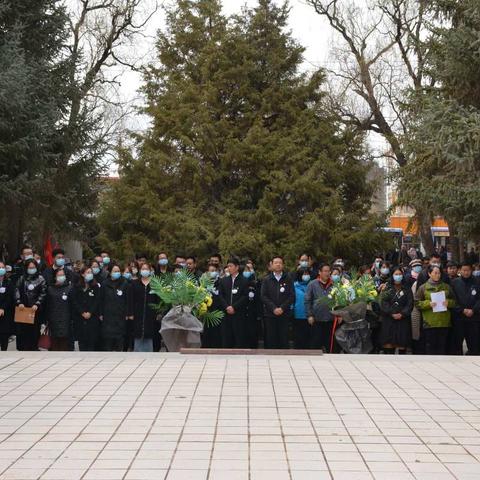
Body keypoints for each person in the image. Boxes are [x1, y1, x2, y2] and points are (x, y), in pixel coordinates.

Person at [415, 265, 456, 355]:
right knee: (430, 346)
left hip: (444, 322)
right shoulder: (423, 287)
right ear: (429, 274)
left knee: (442, 346)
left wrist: (448, 302)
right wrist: (428, 304)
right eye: (435, 273)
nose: (437, 275)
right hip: (430, 323)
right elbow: (416, 303)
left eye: (439, 273)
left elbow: (455, 302)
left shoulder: (446, 287)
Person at [261, 256, 295, 349]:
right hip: (270, 314)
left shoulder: (288, 278)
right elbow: (263, 296)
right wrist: (273, 308)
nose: (278, 264)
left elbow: (292, 296)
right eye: (276, 262)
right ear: (271, 265)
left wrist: (282, 308)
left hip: (284, 314)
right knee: (270, 338)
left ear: (283, 265)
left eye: (280, 262)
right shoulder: (266, 279)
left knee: (283, 338)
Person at [379, 266, 413, 354]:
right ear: (392, 275)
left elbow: (410, 304)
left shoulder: (407, 288)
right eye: (396, 274)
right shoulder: (387, 288)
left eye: (400, 274)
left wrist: (402, 313)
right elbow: (383, 303)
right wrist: (392, 313)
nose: (398, 276)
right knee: (389, 346)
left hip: (403, 320)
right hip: (389, 320)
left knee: (402, 344)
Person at [15, 259, 46, 351]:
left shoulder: (41, 279)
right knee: (23, 331)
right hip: (23, 309)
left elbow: (43, 292)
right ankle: (23, 348)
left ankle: (34, 348)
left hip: (35, 310)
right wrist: (19, 302)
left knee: (35, 330)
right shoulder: (22, 278)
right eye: (29, 268)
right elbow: (16, 290)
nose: (31, 269)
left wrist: (37, 303)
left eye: (33, 267)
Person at [217, 258, 249, 348]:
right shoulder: (223, 281)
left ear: (237, 267)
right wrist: (227, 307)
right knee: (226, 337)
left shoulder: (244, 280)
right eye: (228, 266)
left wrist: (234, 307)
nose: (229, 268)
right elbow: (221, 296)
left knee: (239, 337)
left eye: (231, 266)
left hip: (238, 313)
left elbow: (245, 296)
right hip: (226, 313)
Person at [450, 263, 480, 355]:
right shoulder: (454, 282)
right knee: (457, 344)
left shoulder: (477, 281)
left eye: (468, 270)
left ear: (471, 270)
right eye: (463, 270)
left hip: (474, 318)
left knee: (474, 344)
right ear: (460, 270)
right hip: (459, 318)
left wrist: (473, 310)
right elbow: (452, 299)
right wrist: (462, 310)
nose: (466, 272)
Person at [99, 264, 130, 351]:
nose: (117, 273)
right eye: (115, 271)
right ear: (110, 272)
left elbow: (127, 300)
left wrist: (127, 313)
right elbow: (101, 299)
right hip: (108, 316)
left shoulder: (124, 283)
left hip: (120, 315)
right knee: (108, 340)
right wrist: (101, 313)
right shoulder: (105, 284)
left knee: (120, 339)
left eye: (118, 271)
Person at [304, 263, 335, 352]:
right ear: (319, 272)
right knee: (315, 342)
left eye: (329, 271)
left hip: (330, 319)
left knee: (330, 344)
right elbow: (307, 301)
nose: (327, 273)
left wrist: (339, 314)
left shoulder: (334, 284)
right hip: (316, 319)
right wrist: (309, 315)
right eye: (325, 271)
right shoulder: (312, 284)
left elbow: (338, 301)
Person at [129, 263, 158, 352]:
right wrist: (130, 313)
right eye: (143, 269)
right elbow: (131, 299)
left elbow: (157, 301)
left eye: (146, 269)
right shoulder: (134, 283)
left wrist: (157, 313)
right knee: (137, 333)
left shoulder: (154, 284)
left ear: (150, 271)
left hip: (150, 314)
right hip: (138, 313)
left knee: (149, 333)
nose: (144, 271)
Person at [71, 266, 101, 351]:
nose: (90, 274)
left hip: (92, 318)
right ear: (82, 274)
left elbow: (97, 301)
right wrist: (82, 312)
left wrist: (90, 312)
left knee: (92, 342)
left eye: (91, 273)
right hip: (80, 318)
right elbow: (74, 301)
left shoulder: (95, 287)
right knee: (82, 342)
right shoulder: (76, 287)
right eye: (88, 272)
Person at [45, 269, 72, 351]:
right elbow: (47, 304)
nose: (61, 277)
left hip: (66, 318)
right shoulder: (50, 288)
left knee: (65, 342)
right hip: (53, 319)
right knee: (54, 341)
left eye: (63, 275)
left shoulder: (69, 288)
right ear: (55, 277)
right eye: (59, 275)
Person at [201, 264, 222, 348]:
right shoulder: (203, 283)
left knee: (217, 333)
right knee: (206, 333)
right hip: (206, 313)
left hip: (217, 312)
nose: (212, 273)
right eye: (211, 271)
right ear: (206, 272)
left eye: (214, 271)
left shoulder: (221, 282)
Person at [243, 259, 261, 349]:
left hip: (253, 313)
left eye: (249, 269)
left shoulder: (256, 282)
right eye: (246, 269)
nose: (247, 272)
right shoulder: (241, 281)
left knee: (253, 333)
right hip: (242, 312)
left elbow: (259, 297)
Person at [293, 268, 312, 349]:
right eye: (304, 274)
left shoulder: (312, 285)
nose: (306, 276)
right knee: (298, 336)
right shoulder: (294, 286)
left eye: (307, 274)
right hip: (298, 315)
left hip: (310, 315)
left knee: (309, 336)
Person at [0, 261, 14, 351]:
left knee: (4, 335)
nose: (1, 269)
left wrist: (2, 308)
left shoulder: (8, 282)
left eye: (2, 267)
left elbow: (10, 297)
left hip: (5, 313)